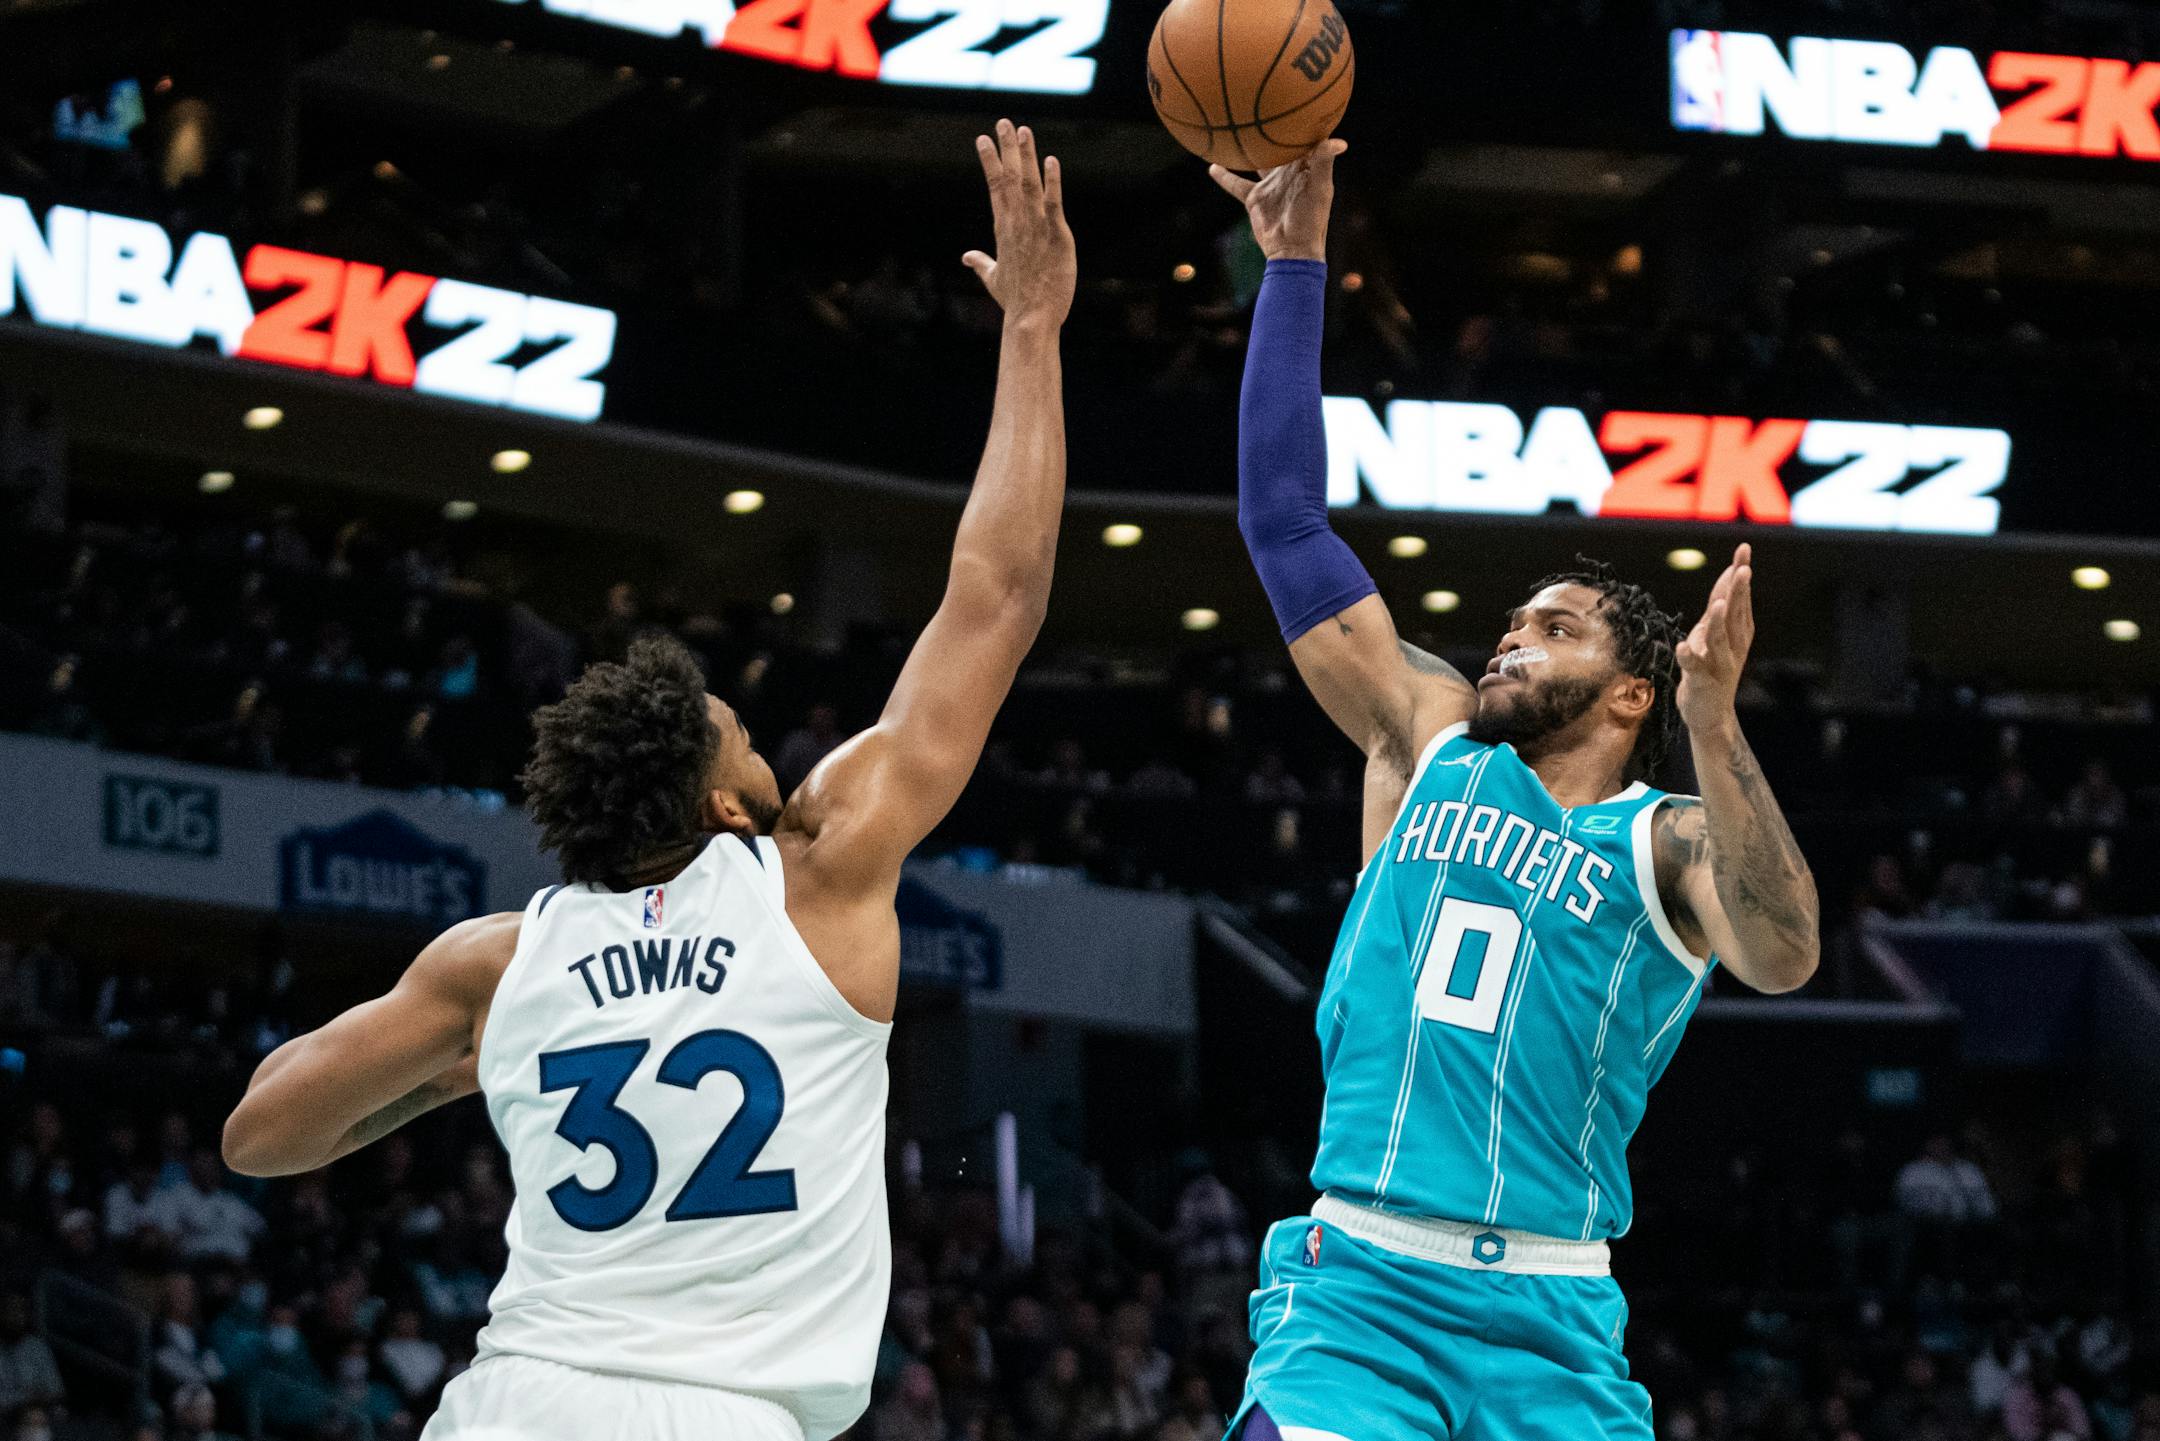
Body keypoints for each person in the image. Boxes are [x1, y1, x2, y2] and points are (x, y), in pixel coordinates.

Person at [220, 119, 1076, 1441]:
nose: (771, 747)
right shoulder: (821, 870)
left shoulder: (499, 963)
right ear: (727, 807)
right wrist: (1031, 329)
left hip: (510, 1403)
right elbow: (999, 593)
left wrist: (455, 1069)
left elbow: (259, 1132)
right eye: (744, 736)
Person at [1210, 140, 1821, 1441]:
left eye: (1555, 627)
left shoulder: (1664, 843)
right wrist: (1296, 268)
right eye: (1513, 620)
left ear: (1631, 695)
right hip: (1357, 1297)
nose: (1510, 636)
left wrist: (1720, 722)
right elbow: (1284, 523)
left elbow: (1783, 950)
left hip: (1551, 1322)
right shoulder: (1424, 737)